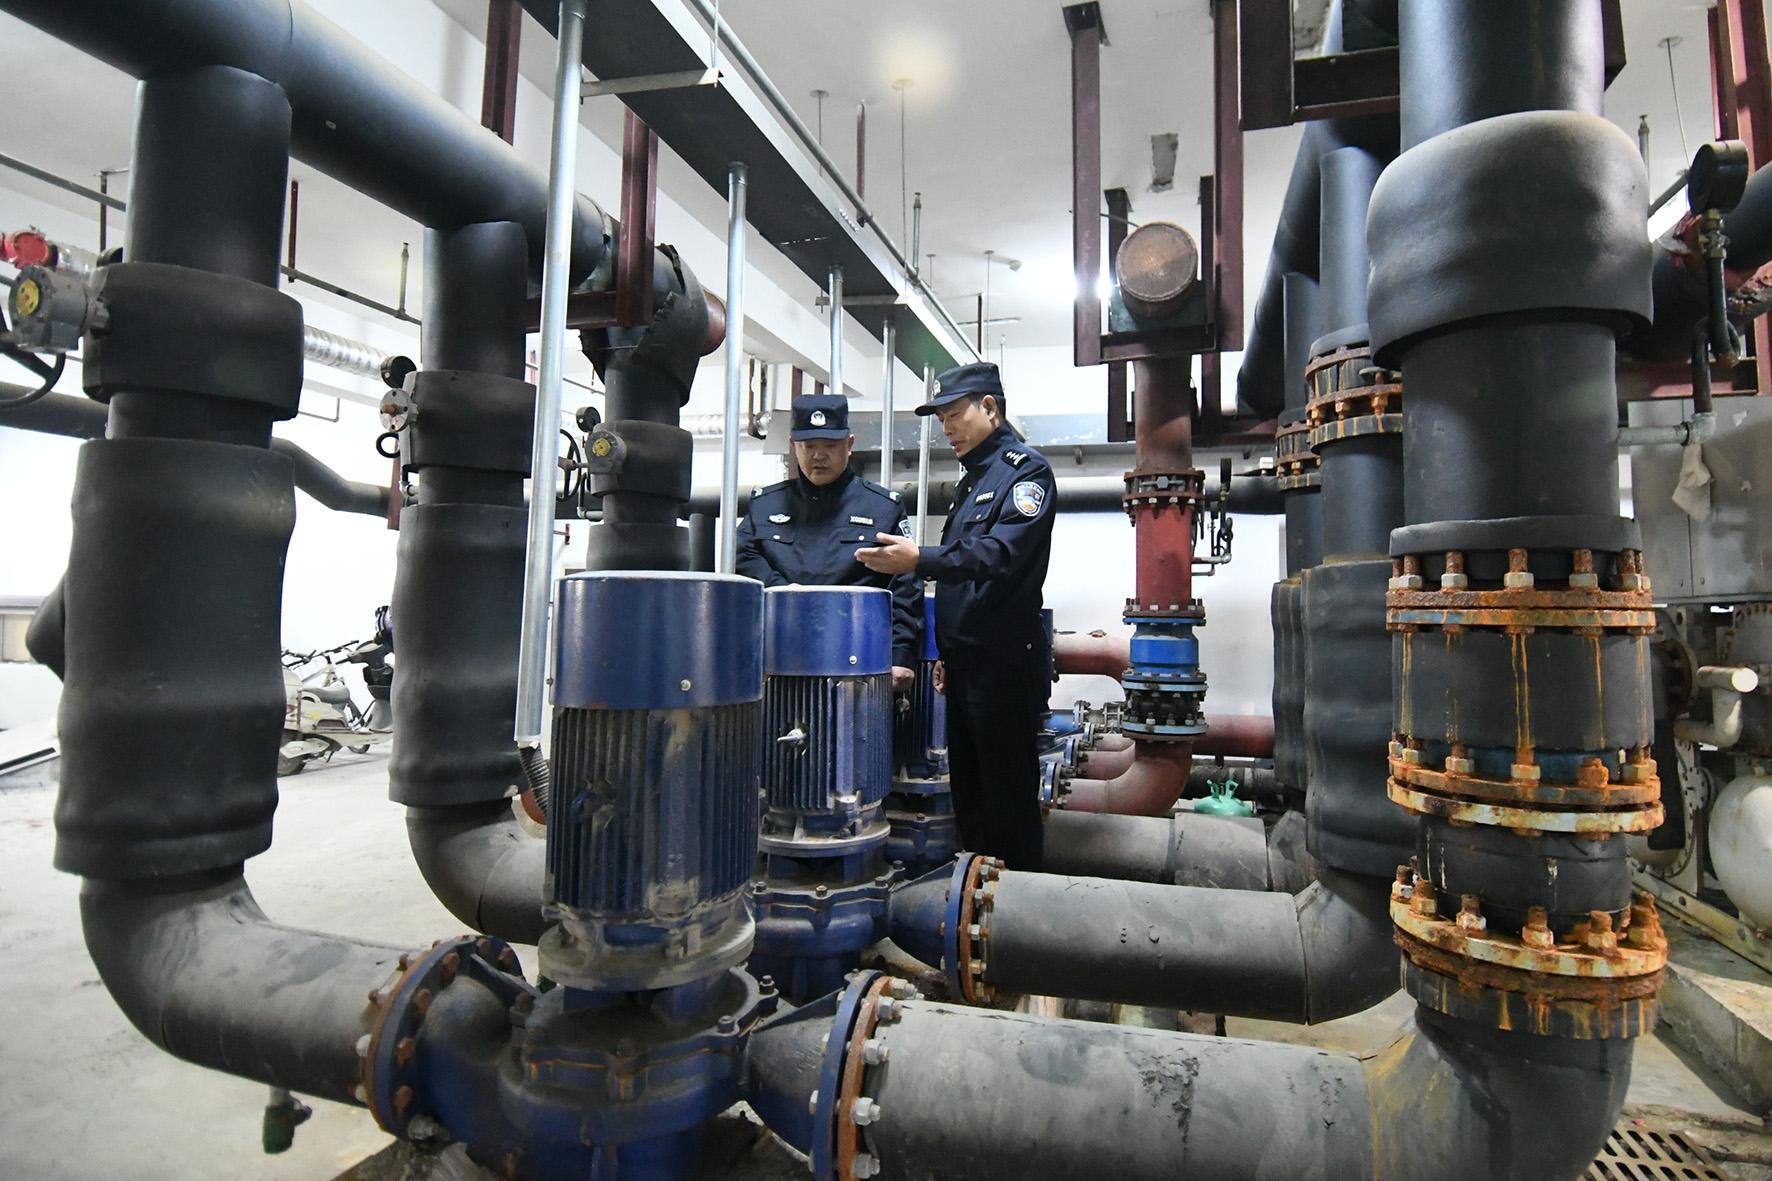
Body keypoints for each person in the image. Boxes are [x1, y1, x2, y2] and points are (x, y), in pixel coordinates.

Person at [856, 362, 1056, 870]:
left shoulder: (1026, 472)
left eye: (954, 415)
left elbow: (998, 556)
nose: (946, 428)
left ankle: (1018, 903)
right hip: (967, 667)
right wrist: (949, 651)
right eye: (941, 419)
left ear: (989, 407)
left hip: (1004, 668)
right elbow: (964, 582)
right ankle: (979, 900)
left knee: (1007, 801)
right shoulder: (973, 481)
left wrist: (918, 559)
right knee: (970, 798)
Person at [736, 393, 921, 689]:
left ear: (849, 444)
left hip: (859, 658)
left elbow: (905, 586)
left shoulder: (882, 508)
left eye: (830, 446)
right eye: (809, 446)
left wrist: (901, 654)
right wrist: (784, 592)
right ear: (793, 446)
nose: (819, 456)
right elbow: (743, 561)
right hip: (779, 656)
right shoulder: (765, 505)